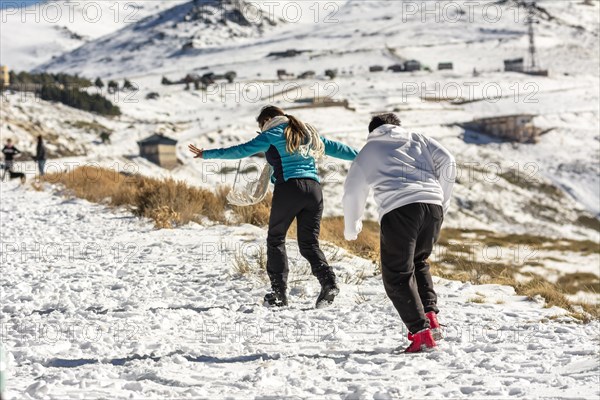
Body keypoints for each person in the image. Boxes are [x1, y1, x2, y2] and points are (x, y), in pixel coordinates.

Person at [189, 105, 358, 308]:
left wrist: (206, 154)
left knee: (276, 239)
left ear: (267, 120)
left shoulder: (271, 133)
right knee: (309, 243)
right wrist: (365, 156)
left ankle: (279, 295)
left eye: (261, 126)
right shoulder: (307, 132)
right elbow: (339, 149)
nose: (261, 130)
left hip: (289, 188)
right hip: (314, 190)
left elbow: (240, 150)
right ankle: (329, 283)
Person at [342, 113, 456, 353]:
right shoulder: (418, 138)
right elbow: (448, 161)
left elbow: (353, 190)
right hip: (432, 206)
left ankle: (421, 334)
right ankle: (430, 318)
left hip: (400, 209)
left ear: (372, 131)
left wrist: (352, 227)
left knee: (396, 273)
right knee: (419, 262)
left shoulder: (370, 149)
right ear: (396, 126)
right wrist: (442, 201)